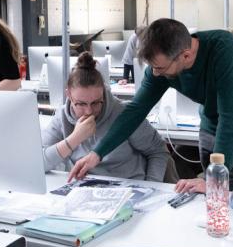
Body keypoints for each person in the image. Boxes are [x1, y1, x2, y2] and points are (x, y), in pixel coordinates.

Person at [69, 19, 233, 193]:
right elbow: (135, 110)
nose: (155, 74)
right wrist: (97, 153)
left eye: (160, 68)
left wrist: (213, 180)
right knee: (209, 193)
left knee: (230, 195)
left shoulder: (224, 49)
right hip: (211, 123)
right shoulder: (163, 63)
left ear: (185, 55)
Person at [42, 52, 169, 182]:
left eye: (96, 103)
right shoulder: (62, 116)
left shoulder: (123, 113)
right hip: (87, 189)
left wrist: (151, 186)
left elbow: (158, 151)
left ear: (103, 92)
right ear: (68, 94)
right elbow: (39, 163)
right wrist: (75, 137)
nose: (89, 111)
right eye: (81, 104)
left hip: (128, 187)